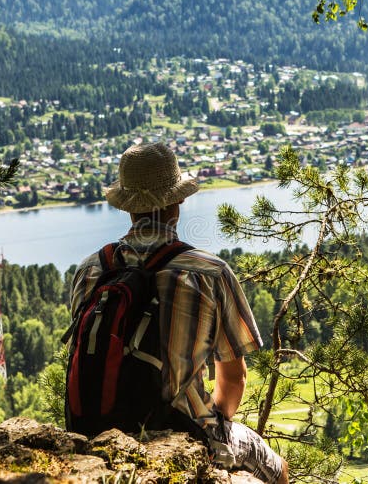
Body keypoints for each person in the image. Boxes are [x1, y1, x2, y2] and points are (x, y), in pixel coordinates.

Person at [69, 142, 288, 484]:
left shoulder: (91, 270)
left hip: (99, 428)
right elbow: (234, 377)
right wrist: (217, 422)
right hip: (182, 431)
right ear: (178, 201)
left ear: (127, 208)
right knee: (276, 467)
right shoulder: (209, 272)